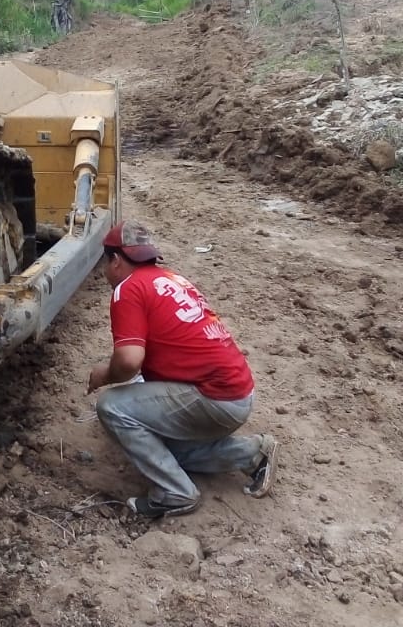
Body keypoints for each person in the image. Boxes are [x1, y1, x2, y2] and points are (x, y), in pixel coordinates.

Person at [86, 220, 277, 519]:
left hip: (214, 399)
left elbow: (128, 361)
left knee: (112, 407)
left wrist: (103, 375)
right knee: (160, 450)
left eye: (106, 264)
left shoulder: (128, 288)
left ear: (116, 260)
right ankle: (252, 453)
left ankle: (174, 493)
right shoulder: (172, 279)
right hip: (236, 392)